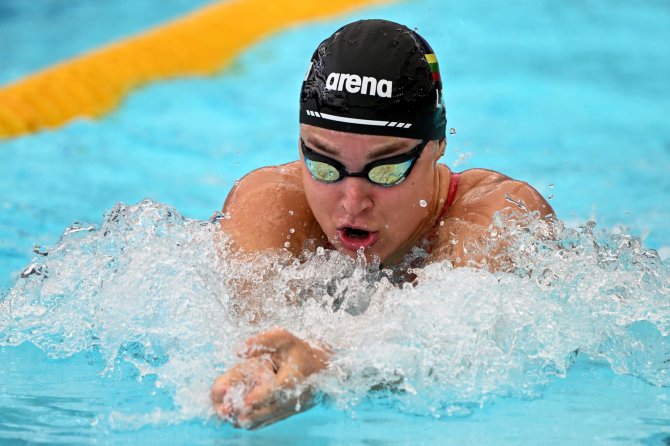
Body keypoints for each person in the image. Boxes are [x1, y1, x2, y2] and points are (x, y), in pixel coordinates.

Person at [210, 19, 554, 429]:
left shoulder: (498, 214)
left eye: (386, 170)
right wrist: (259, 370)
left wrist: (325, 364)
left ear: (438, 144)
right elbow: (255, 329)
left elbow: (446, 346)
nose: (352, 202)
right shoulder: (270, 202)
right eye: (323, 164)